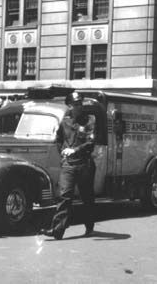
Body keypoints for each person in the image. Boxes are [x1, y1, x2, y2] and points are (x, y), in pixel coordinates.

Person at [40, 92, 96, 240]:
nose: (78, 107)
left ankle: (90, 227)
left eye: (80, 104)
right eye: (75, 104)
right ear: (69, 106)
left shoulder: (90, 120)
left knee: (87, 197)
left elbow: (91, 142)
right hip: (69, 165)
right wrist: (63, 154)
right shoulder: (64, 122)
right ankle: (57, 230)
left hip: (84, 164)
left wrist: (75, 150)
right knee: (64, 196)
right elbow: (59, 140)